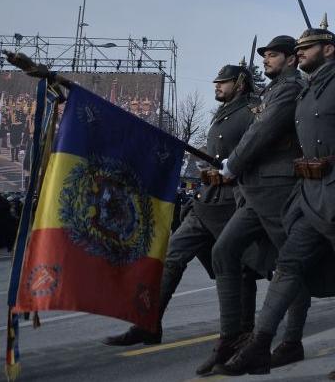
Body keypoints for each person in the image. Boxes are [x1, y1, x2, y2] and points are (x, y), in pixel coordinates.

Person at [218, 24, 335, 379]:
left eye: (307, 47)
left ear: (328, 49)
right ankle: (258, 345)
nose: (299, 52)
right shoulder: (306, 93)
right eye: (297, 48)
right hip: (309, 194)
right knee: (289, 263)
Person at [103, 62, 260, 349]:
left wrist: (235, 166)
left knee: (242, 267)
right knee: (172, 257)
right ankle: (148, 324)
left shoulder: (254, 112)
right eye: (217, 82)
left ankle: (244, 332)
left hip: (234, 203)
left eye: (223, 82)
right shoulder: (223, 114)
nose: (217, 86)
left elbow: (258, 150)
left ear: (241, 84)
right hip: (206, 201)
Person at [202, 36, 311, 375]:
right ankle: (230, 338)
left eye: (273, 55)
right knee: (224, 251)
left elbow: (263, 131)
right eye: (264, 55)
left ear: (291, 59)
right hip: (255, 191)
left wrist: (232, 164)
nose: (266, 59)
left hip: (280, 189)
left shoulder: (292, 88)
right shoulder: (272, 90)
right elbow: (254, 130)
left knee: (289, 267)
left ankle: (291, 341)